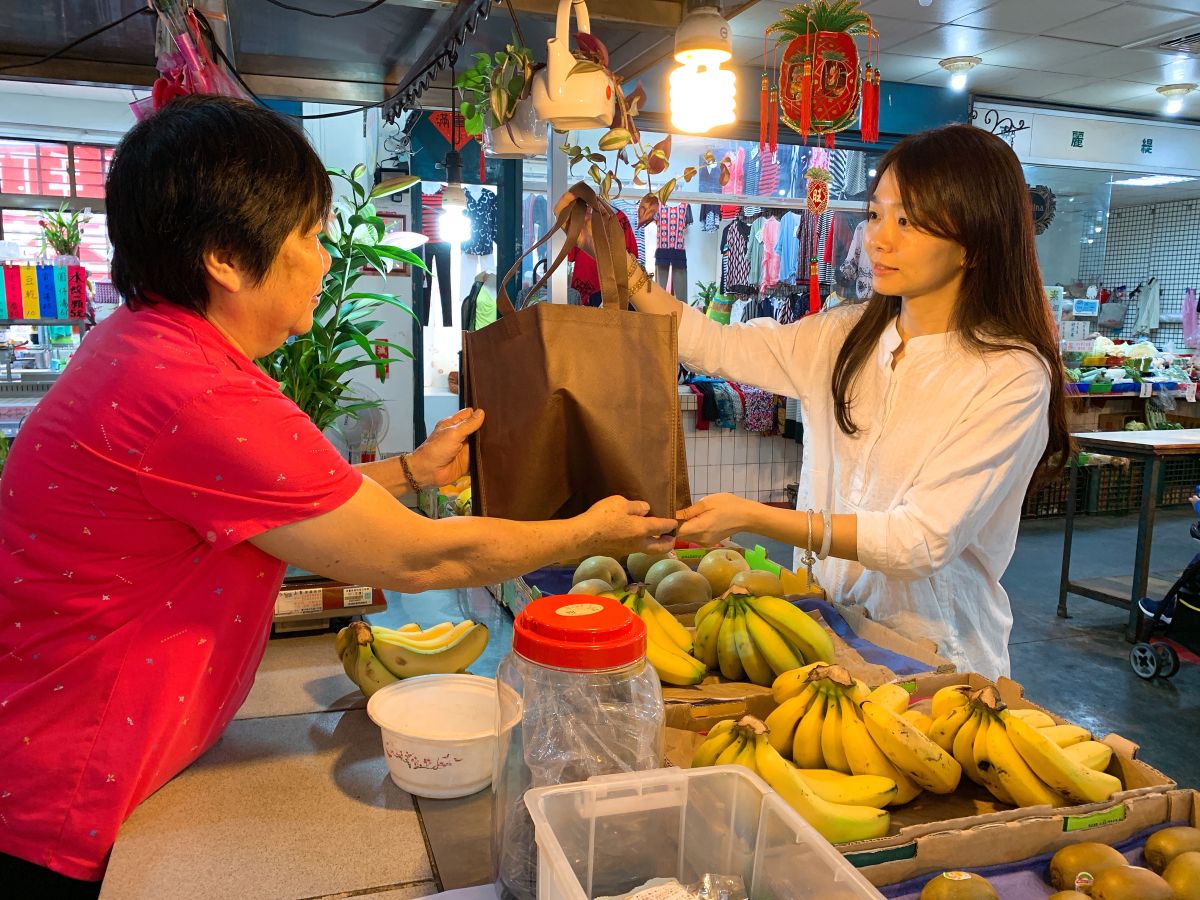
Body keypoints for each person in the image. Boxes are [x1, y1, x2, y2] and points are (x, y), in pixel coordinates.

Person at [0, 96, 676, 896]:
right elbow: (422, 556)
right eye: (311, 237)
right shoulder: (191, 390)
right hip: (61, 798)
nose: (325, 261)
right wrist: (583, 534)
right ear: (224, 252)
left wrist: (413, 473)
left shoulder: (143, 348)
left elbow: (256, 502)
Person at [565, 124, 1070, 680]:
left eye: (907, 221)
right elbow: (714, 345)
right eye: (876, 214)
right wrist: (621, 264)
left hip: (941, 660)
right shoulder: (842, 337)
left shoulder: (1010, 375)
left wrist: (757, 517)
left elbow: (921, 541)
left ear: (975, 242)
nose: (878, 239)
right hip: (833, 634)